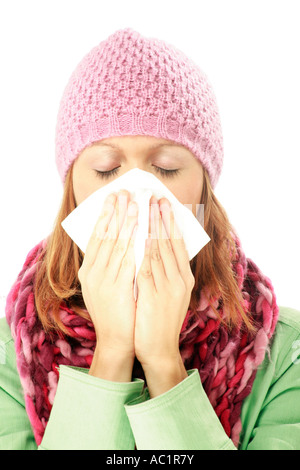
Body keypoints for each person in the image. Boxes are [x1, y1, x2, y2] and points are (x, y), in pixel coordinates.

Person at [1, 27, 300, 451]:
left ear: (204, 190)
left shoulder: (284, 352)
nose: (136, 192)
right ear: (71, 192)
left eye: (165, 167)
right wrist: (113, 352)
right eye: (106, 169)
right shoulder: (10, 354)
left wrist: (163, 362)